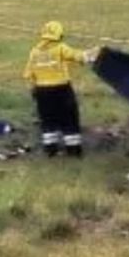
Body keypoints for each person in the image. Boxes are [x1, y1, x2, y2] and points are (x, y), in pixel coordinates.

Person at [24, 21, 98, 157]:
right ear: (59, 35)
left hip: (41, 91)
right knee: (69, 119)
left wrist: (34, 89)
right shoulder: (60, 48)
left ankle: (50, 151)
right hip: (61, 89)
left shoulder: (34, 52)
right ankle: (73, 151)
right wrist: (93, 54)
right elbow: (78, 56)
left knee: (47, 120)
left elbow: (28, 74)